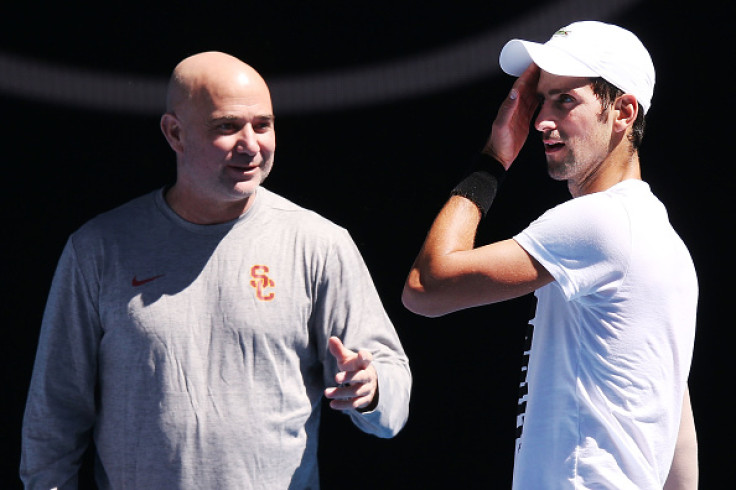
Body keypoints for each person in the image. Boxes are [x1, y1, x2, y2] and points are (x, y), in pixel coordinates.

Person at [21, 51, 411, 489]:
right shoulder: (99, 248)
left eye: (262, 125)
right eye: (227, 126)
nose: (250, 143)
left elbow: (392, 400)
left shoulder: (319, 243)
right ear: (174, 133)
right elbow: (53, 412)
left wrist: (371, 388)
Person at [402, 21, 697, 489]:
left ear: (622, 112)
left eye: (565, 100)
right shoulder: (666, 244)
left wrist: (492, 162)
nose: (540, 118)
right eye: (542, 97)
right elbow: (676, 434)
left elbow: (425, 287)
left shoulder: (599, 223)